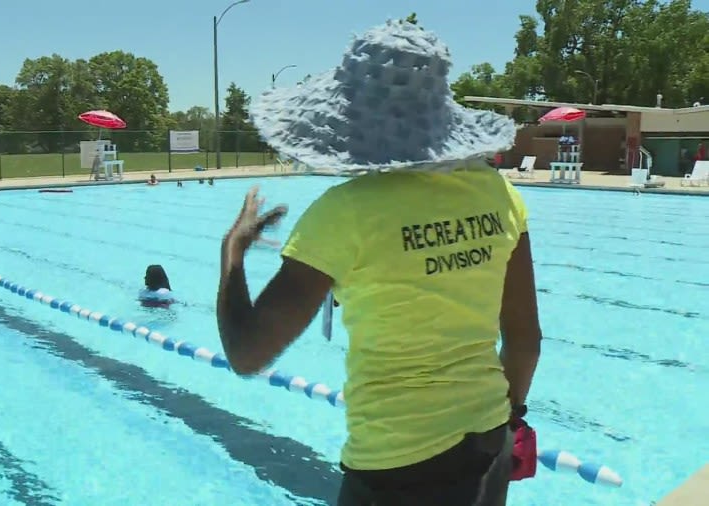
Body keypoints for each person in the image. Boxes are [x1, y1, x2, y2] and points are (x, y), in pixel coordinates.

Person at [215, 19, 541, 506]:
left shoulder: (345, 212)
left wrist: (233, 253)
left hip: (395, 464)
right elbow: (525, 340)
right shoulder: (500, 195)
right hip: (489, 445)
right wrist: (511, 415)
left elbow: (247, 351)